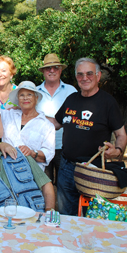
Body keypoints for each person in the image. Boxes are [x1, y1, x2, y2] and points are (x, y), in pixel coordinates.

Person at [50, 57, 127, 216]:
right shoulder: (71, 99)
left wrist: (117, 150)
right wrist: (29, 115)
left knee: (91, 217)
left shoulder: (108, 102)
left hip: (93, 171)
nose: (84, 78)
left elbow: (121, 134)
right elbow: (55, 123)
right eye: (80, 74)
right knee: (66, 216)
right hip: (66, 168)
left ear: (98, 76)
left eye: (89, 74)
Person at [36, 53, 77, 183]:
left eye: (55, 67)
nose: (52, 70)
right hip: (40, 146)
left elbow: (76, 118)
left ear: (60, 70)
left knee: (65, 186)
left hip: (65, 146)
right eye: (48, 68)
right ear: (43, 71)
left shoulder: (71, 91)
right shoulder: (34, 92)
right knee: (43, 184)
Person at [1, 81, 55, 172]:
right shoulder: (8, 115)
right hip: (6, 170)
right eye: (22, 95)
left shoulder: (47, 125)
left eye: (29, 94)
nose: (25, 98)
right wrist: (1, 144)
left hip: (30, 174)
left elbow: (49, 153)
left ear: (36, 98)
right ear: (18, 99)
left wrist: (32, 153)